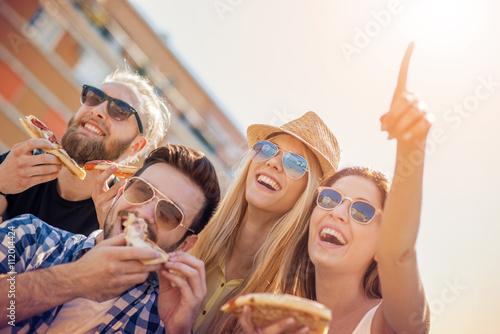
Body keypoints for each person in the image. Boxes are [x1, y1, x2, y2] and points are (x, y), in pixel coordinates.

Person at [240, 43, 431, 334]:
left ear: (382, 243)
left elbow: (399, 253)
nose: (339, 212)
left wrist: (411, 145)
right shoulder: (276, 313)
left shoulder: (390, 322)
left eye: (362, 211)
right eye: (329, 199)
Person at [0, 145, 221, 333]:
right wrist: (75, 279)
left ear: (184, 244)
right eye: (143, 191)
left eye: (170, 213)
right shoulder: (28, 235)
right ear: (121, 191)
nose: (144, 213)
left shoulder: (164, 322)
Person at [190, 111, 341, 333]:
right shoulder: (189, 231)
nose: (273, 163)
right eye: (268, 149)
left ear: (308, 197)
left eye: (296, 164)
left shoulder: (285, 310)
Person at [0, 68, 170, 235]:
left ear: (136, 146)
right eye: (95, 97)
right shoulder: (22, 164)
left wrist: (107, 235)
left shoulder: (119, 221)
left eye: (119, 110)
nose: (97, 110)